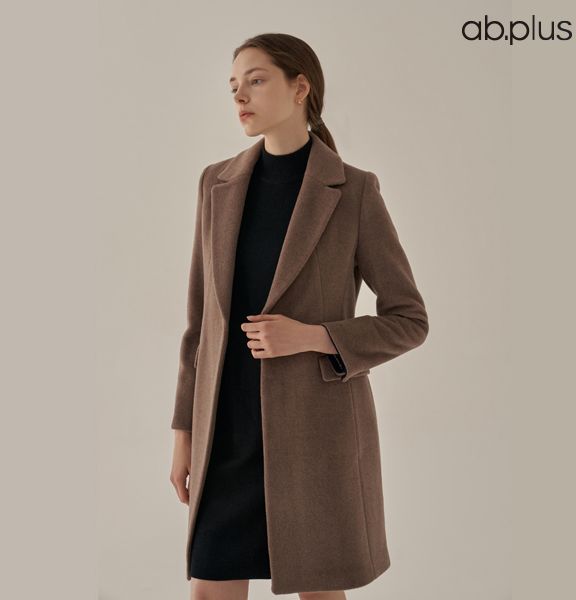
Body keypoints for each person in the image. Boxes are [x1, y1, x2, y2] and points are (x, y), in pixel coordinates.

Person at [170, 33, 429, 600]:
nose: (240, 96)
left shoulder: (353, 190)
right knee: (209, 589)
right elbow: (200, 326)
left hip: (315, 438)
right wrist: (184, 433)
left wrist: (313, 337)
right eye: (233, 86)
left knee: (320, 591)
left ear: (300, 87)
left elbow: (409, 318)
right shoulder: (216, 183)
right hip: (226, 434)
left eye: (256, 80)